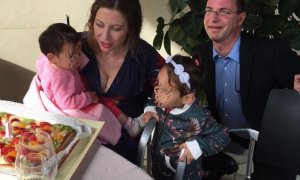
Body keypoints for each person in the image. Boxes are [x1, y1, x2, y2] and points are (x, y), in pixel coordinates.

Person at [191, 0, 300, 179]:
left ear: (241, 18)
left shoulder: (270, 51)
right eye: (209, 10)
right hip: (219, 135)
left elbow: (295, 71)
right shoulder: (199, 54)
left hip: (266, 137)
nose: (213, 18)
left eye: (224, 11)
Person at [80, 0, 164, 164]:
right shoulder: (76, 48)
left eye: (116, 29)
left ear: (131, 29)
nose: (105, 36)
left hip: (123, 144)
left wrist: (151, 109)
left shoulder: (145, 57)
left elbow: (172, 90)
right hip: (79, 136)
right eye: (99, 25)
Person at [33, 23, 139, 143]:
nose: (78, 56)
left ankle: (129, 124)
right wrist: (88, 97)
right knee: (102, 106)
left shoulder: (52, 62)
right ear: (52, 58)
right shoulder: (60, 77)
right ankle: (129, 125)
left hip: (75, 90)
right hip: (70, 109)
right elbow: (66, 103)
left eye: (79, 48)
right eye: (72, 54)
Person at [140, 55, 230, 180]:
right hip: (159, 168)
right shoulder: (162, 100)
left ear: (187, 98)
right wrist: (149, 110)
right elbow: (152, 102)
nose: (157, 92)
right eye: (157, 83)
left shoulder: (198, 116)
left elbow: (223, 135)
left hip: (185, 175)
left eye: (165, 90)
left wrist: (198, 146)